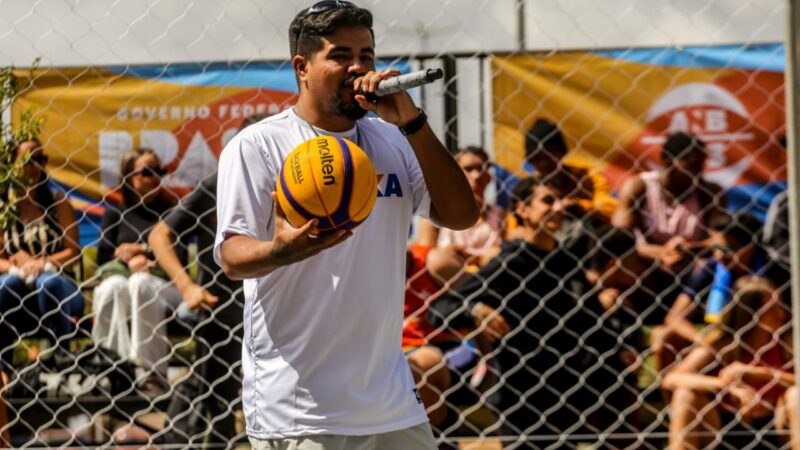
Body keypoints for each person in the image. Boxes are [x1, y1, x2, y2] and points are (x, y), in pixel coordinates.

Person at [214, 2, 478, 449]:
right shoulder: (258, 146)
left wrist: (413, 123)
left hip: (391, 401)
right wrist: (281, 251)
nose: (358, 67)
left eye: (367, 55)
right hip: (300, 411)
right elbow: (232, 256)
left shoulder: (393, 138)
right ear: (302, 66)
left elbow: (461, 215)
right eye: (340, 55)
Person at [428, 176, 598, 449]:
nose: (558, 208)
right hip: (521, 394)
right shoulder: (510, 263)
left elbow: (593, 318)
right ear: (522, 209)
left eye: (559, 200)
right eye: (547, 201)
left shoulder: (568, 262)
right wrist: (475, 310)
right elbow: (440, 309)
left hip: (569, 391)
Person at [149, 113, 271, 446]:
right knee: (219, 398)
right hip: (224, 311)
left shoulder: (291, 182)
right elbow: (160, 235)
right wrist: (187, 286)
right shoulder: (219, 184)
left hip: (274, 308)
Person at [0, 139, 83, 444]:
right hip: (19, 293)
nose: (35, 166)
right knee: (6, 285)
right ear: (13, 165)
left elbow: (73, 252)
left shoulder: (57, 201)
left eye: (40, 158)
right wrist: (15, 265)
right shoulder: (4, 209)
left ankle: (62, 360)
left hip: (59, 287)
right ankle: (2, 367)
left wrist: (42, 262)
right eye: (28, 159)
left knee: (49, 283)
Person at [91, 147, 184, 398]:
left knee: (141, 283)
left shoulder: (170, 212)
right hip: (124, 281)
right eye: (146, 171)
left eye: (159, 171)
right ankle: (112, 370)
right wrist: (127, 263)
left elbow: (181, 256)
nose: (154, 177)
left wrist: (145, 253)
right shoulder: (115, 213)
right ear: (129, 177)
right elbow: (102, 258)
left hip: (164, 286)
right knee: (113, 287)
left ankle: (152, 376)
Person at [662, 277, 794, 450]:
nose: (781, 314)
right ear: (749, 312)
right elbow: (671, 378)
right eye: (770, 309)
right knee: (685, 395)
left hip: (776, 424)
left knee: (796, 395)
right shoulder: (723, 345)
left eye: (780, 305)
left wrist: (764, 374)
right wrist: (726, 386)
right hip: (725, 427)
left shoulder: (786, 343)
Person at [652, 212, 766, 373]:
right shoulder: (712, 268)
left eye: (726, 249)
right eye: (715, 248)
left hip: (759, 337)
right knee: (663, 336)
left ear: (750, 246)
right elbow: (674, 316)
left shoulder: (769, 271)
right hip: (717, 337)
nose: (719, 256)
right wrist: (703, 340)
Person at [613, 131, 726, 274]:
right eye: (692, 164)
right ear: (668, 160)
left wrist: (689, 249)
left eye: (701, 163)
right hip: (646, 267)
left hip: (693, 270)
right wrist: (661, 252)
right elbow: (617, 238)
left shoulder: (710, 193)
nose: (699, 170)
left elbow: (721, 240)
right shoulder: (639, 187)